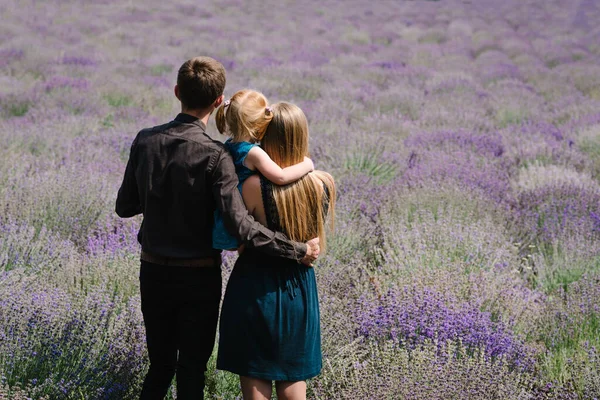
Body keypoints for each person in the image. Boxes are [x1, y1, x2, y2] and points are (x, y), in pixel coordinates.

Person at [115, 57, 320, 400]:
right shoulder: (216, 155)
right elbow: (242, 226)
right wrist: (297, 250)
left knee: (160, 366)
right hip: (197, 278)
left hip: (152, 272)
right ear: (217, 101)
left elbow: (125, 206)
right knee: (191, 370)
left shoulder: (145, 140)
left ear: (177, 92)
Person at [217, 102, 336, 400]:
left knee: (255, 379)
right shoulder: (322, 185)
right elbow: (314, 243)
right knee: (293, 379)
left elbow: (243, 243)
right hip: (298, 290)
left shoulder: (252, 186)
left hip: (255, 289)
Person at [212, 89, 315, 251]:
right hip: (242, 212)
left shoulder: (230, 143)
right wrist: (307, 164)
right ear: (258, 124)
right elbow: (280, 177)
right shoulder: (254, 153)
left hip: (226, 211)